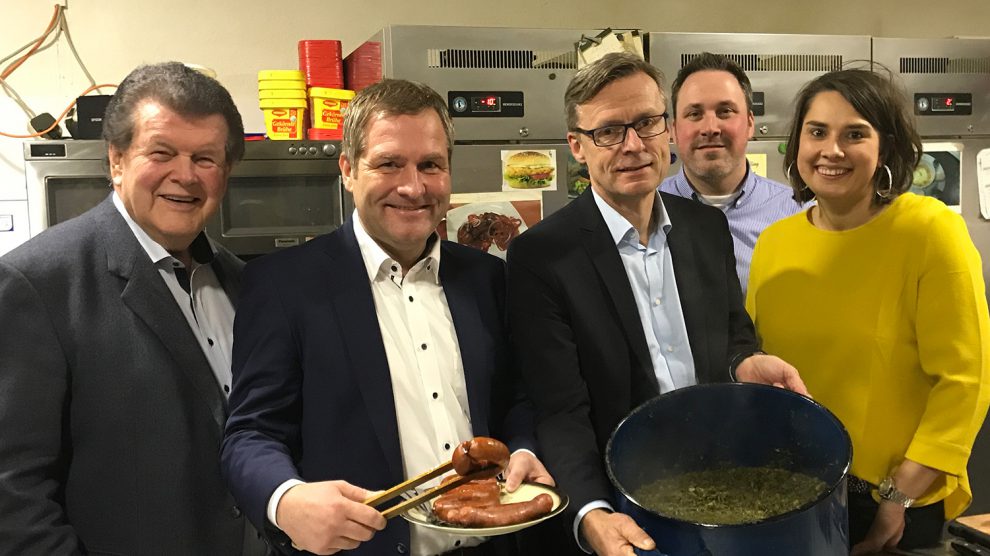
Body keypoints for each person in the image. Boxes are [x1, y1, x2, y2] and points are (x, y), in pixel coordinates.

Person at [221, 78, 553, 556]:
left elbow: (517, 398)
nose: (413, 186)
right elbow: (251, 434)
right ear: (348, 169)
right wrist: (286, 499)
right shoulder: (281, 286)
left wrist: (523, 448)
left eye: (431, 165)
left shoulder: (487, 278)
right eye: (389, 163)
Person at [505, 52, 808, 556]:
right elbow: (560, 409)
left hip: (721, 484)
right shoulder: (542, 256)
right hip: (622, 502)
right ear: (577, 146)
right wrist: (590, 511)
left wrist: (746, 362)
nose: (633, 145)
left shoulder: (706, 229)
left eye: (646, 123)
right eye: (608, 131)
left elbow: (733, 336)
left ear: (666, 129)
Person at [0, 62, 265, 554]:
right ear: (117, 160)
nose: (184, 175)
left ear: (226, 173)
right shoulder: (35, 284)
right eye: (161, 152)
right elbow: (11, 496)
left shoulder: (242, 282)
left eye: (205, 158)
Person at [746, 68, 990, 554]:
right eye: (817, 132)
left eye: (854, 133)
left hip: (893, 498)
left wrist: (898, 497)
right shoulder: (776, 242)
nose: (831, 150)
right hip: (796, 489)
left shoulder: (929, 232)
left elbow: (965, 382)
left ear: (886, 147)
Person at [659, 52, 805, 294]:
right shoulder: (646, 209)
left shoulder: (797, 211)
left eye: (725, 111)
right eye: (694, 114)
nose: (710, 128)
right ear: (673, 130)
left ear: (749, 124)